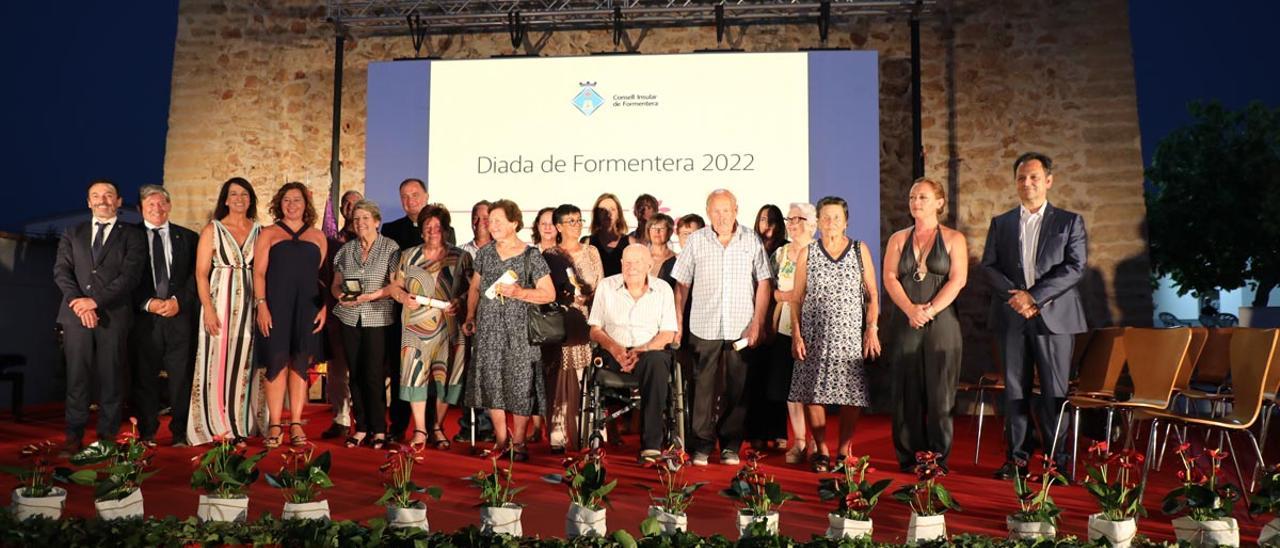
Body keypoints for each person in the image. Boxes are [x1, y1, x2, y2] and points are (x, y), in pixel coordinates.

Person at [982, 152, 1087, 480]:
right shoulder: (1001, 223)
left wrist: (1034, 297)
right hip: (1012, 317)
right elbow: (988, 266)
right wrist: (1016, 298)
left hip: (1054, 318)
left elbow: (1075, 267)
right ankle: (1017, 460)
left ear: (1048, 181)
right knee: (1015, 391)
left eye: (1034, 177)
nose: (1026, 183)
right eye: (1021, 178)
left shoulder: (1069, 222)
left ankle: (1056, 464)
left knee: (1055, 392)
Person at [671, 189, 774, 467]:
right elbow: (682, 283)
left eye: (726, 210)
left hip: (741, 327)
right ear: (708, 213)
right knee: (702, 388)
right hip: (704, 325)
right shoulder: (697, 240)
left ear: (736, 210)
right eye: (716, 211)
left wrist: (758, 323)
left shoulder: (751, 240)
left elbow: (764, 283)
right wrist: (678, 321)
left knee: (738, 388)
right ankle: (701, 444)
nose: (721, 217)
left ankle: (730, 444)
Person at [53, 179, 147, 455]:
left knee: (112, 379)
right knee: (77, 378)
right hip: (75, 317)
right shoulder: (72, 233)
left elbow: (130, 276)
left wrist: (94, 302)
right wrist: (79, 303)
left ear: (118, 201)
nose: (102, 200)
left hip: (113, 316)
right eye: (96, 195)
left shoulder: (133, 236)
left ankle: (106, 438)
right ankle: (74, 435)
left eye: (108, 195)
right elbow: (62, 271)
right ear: (88, 202)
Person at [790, 196, 881, 473]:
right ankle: (821, 450)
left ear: (846, 222)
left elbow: (872, 294)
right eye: (826, 218)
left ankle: (843, 450)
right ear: (818, 222)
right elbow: (796, 298)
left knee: (850, 394)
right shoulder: (808, 252)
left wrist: (872, 328)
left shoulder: (859, 250)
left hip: (849, 336)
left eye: (837, 218)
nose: (831, 223)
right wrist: (796, 335)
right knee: (813, 392)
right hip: (814, 334)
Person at [883, 179, 968, 472]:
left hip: (942, 322)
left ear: (939, 202)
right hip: (906, 320)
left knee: (940, 392)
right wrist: (910, 309)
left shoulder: (954, 238)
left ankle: (937, 458)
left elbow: (958, 280)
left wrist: (929, 310)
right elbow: (890, 277)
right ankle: (909, 457)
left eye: (922, 197)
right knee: (906, 391)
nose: (916, 202)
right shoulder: (898, 239)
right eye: (912, 197)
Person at [462, 199, 555, 461]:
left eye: (498, 221)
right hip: (488, 330)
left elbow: (549, 293)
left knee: (520, 385)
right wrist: (470, 315)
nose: (492, 226)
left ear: (514, 223)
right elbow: (475, 288)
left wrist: (519, 292)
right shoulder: (485, 254)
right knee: (492, 384)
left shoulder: (530, 256)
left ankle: (519, 443)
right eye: (490, 221)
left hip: (520, 333)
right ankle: (502, 441)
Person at [387, 205, 471, 449]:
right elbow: (395, 287)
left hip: (450, 327)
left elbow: (472, 290)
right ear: (421, 230)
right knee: (416, 377)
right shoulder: (408, 256)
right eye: (428, 227)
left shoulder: (461, 256)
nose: (433, 231)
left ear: (446, 229)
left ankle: (437, 427)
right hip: (415, 328)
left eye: (438, 227)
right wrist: (404, 297)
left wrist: (461, 301)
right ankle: (421, 429)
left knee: (445, 377)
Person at [189, 178, 265, 446]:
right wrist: (208, 309)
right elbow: (201, 274)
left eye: (244, 194)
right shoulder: (213, 229)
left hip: (250, 303)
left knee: (245, 363)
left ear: (250, 199)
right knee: (218, 362)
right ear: (225, 199)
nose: (239, 199)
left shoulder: (260, 230)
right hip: (219, 302)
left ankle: (241, 424)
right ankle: (218, 426)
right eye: (234, 194)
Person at [253, 182, 328, 448]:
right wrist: (261, 305)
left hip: (307, 308)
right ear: (279, 203)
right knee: (276, 361)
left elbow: (321, 277)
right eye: (287, 200)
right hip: (276, 307)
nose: (292, 205)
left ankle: (296, 422)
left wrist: (323, 307)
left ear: (306, 205)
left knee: (300, 363)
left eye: (297, 200)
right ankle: (275, 424)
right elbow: (258, 273)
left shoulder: (318, 236)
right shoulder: (269, 233)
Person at [588, 244, 678, 461]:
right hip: (613, 351)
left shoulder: (663, 289)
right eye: (627, 262)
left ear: (649, 265)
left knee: (656, 362)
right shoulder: (606, 286)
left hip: (650, 352)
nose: (631, 267)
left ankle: (651, 445)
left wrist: (643, 349)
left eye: (637, 262)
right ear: (621, 264)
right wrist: (615, 349)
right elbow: (595, 330)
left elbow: (668, 333)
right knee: (604, 357)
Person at [129, 185, 199, 446]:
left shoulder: (188, 238)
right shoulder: (128, 236)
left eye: (161, 203)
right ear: (140, 209)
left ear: (169, 206)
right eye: (150, 204)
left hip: (179, 319)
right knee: (144, 377)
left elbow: (197, 275)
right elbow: (125, 277)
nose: (156, 209)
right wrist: (148, 303)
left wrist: (178, 301)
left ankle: (180, 432)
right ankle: (147, 432)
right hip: (144, 320)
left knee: (181, 378)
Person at [331, 200, 400, 449]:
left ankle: (379, 429)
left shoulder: (390, 248)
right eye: (356, 219)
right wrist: (340, 295)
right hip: (349, 317)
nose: (360, 223)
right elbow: (336, 284)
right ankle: (360, 427)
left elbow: (395, 285)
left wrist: (372, 296)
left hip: (378, 317)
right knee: (355, 374)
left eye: (365, 218)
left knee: (373, 374)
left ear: (377, 222)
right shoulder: (346, 250)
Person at [540, 204, 603, 452]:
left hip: (587, 320)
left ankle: (587, 431)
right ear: (558, 226)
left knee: (584, 376)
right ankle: (558, 435)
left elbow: (601, 285)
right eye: (571, 221)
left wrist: (588, 301)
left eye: (579, 220)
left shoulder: (591, 251)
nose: (576, 226)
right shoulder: (550, 255)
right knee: (558, 378)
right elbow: (546, 290)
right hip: (561, 321)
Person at [381, 178, 440, 442]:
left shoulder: (442, 229)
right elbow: (392, 273)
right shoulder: (391, 229)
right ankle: (398, 425)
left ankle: (430, 426)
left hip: (432, 315)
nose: (410, 200)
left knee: (431, 373)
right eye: (404, 196)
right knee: (400, 371)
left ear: (426, 196)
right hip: (403, 313)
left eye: (415, 194)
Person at [772, 202, 817, 464]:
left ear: (811, 224)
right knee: (791, 387)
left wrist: (794, 296)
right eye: (789, 219)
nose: (792, 224)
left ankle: (815, 441)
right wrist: (787, 296)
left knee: (812, 388)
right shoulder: (780, 254)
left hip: (813, 329)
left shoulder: (819, 252)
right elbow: (772, 290)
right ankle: (798, 441)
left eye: (797, 219)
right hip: (785, 328)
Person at [320, 189, 362, 440]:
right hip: (336, 313)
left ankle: (364, 419)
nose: (350, 206)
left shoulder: (374, 239)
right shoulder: (331, 240)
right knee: (337, 369)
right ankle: (341, 418)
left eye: (355, 203)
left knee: (363, 368)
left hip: (366, 313)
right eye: (346, 203)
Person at [745, 203, 789, 450]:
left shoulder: (787, 250)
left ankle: (779, 432)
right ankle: (756, 434)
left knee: (778, 379)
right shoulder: (750, 247)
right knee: (755, 379)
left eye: (772, 219)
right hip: (752, 319)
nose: (767, 224)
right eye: (763, 219)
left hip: (781, 320)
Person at [455, 200, 496, 443]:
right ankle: (468, 425)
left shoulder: (502, 252)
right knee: (467, 375)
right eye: (476, 217)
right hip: (465, 322)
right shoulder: (461, 252)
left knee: (488, 376)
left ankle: (488, 425)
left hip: (492, 323)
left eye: (485, 218)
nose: (480, 222)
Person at [588, 193, 628, 277]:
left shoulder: (630, 242)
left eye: (612, 209)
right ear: (596, 214)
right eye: (602, 210)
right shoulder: (587, 242)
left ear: (619, 214)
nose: (608, 214)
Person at [646, 213, 676, 281]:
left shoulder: (677, 260)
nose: (657, 231)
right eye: (653, 228)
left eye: (662, 228)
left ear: (670, 232)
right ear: (648, 231)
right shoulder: (640, 257)